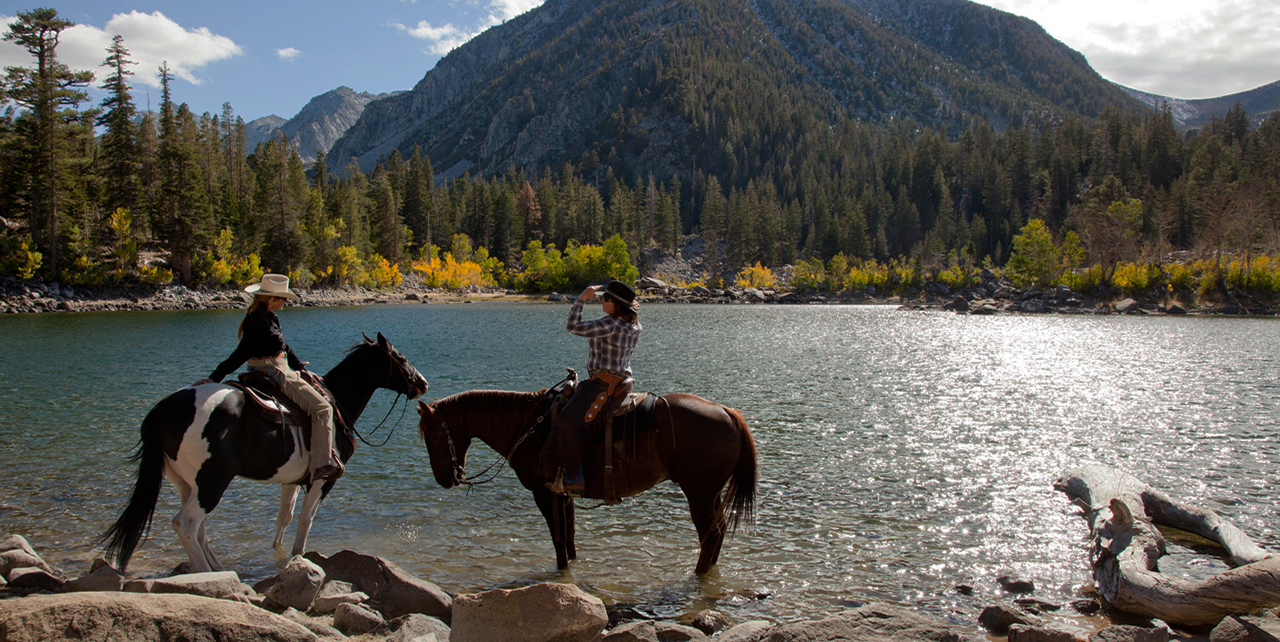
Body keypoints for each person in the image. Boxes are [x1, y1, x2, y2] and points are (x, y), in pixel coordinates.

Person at [200, 273, 343, 481]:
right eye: (283, 298)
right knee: (323, 408)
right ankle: (321, 463)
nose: (286, 301)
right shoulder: (260, 322)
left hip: (276, 366)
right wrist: (215, 378)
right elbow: (240, 354)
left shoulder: (266, 317)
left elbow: (284, 346)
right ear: (272, 299)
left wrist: (300, 367)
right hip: (275, 370)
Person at [540, 279, 642, 496]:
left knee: (568, 420)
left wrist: (581, 299)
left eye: (606, 299)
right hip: (620, 381)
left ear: (615, 304)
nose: (602, 301)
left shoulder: (610, 324)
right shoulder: (633, 325)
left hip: (601, 382)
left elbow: (572, 326)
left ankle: (573, 477)